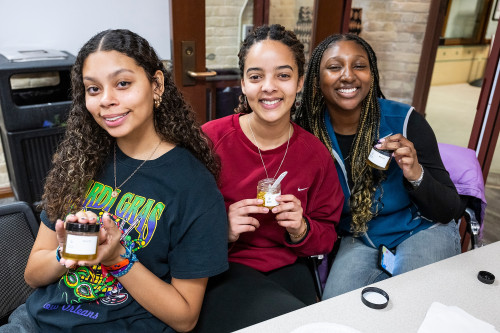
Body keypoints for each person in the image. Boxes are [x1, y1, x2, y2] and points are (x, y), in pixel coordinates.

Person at [0, 29, 228, 332]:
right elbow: (33, 274)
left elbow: (184, 317)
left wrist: (118, 258)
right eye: (93, 89)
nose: (106, 100)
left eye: (123, 84)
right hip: (35, 323)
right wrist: (69, 251)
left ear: (156, 84)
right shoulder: (80, 161)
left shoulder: (194, 188)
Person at [193, 24, 344, 333]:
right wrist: (223, 229)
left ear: (300, 82)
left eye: (283, 75)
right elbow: (178, 223)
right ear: (243, 84)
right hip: (221, 267)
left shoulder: (315, 154)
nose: (269, 87)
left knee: (310, 324)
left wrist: (301, 228)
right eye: (256, 76)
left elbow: (327, 234)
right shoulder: (210, 139)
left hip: (288, 265)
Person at [295, 33, 466, 299]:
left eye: (359, 66)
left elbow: (450, 209)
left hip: (421, 228)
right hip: (360, 236)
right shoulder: (307, 132)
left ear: (372, 75)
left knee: (415, 302)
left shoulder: (406, 120)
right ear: (317, 81)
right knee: (336, 310)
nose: (348, 75)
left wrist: (416, 174)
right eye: (334, 67)